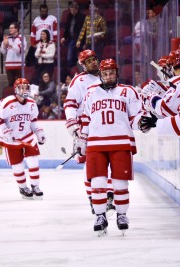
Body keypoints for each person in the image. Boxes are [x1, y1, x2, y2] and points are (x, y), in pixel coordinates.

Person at [74, 58, 145, 235]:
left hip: (121, 142)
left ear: (117, 73)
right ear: (101, 75)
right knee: (97, 182)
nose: (108, 76)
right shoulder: (91, 92)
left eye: (111, 73)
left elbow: (135, 117)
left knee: (120, 183)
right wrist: (82, 138)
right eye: (105, 73)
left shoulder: (128, 92)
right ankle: (100, 215)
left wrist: (143, 123)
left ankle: (122, 215)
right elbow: (87, 118)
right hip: (96, 143)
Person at [64, 50, 116, 216]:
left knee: (107, 161)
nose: (93, 63)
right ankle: (92, 199)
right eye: (88, 61)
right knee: (89, 164)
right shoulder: (79, 81)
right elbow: (70, 103)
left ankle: (108, 197)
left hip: (104, 125)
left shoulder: (105, 76)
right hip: (85, 126)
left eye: (94, 59)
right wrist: (73, 126)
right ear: (83, 65)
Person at [0, 78, 46, 199]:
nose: (25, 90)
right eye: (22, 87)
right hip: (11, 139)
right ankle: (23, 187)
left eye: (26, 87)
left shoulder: (32, 103)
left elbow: (33, 121)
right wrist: (5, 132)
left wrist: (38, 132)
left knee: (33, 161)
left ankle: (35, 186)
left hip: (28, 137)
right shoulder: (7, 102)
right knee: (18, 165)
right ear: (16, 89)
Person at [0, 22, 27, 87]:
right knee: (11, 84)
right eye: (9, 28)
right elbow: (3, 51)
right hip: (9, 65)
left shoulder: (22, 38)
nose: (10, 29)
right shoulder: (7, 38)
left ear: (16, 29)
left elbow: (20, 50)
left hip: (19, 65)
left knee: (20, 84)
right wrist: (4, 44)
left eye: (12, 28)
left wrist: (9, 45)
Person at [60, 1, 85, 69]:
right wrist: (64, 37)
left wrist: (80, 40)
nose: (72, 11)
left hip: (79, 40)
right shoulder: (69, 16)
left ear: (77, 9)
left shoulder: (82, 17)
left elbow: (83, 30)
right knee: (69, 58)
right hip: (71, 39)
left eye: (73, 10)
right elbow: (67, 29)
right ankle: (70, 69)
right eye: (71, 10)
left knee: (74, 57)